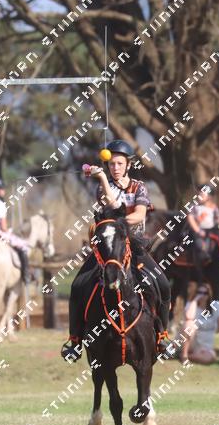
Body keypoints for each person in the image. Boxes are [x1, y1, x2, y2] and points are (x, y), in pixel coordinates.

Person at [61, 140, 173, 362]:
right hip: (109, 246)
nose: (115, 167)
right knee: (77, 285)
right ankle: (75, 341)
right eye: (111, 164)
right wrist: (103, 180)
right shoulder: (103, 187)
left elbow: (140, 215)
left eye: (120, 163)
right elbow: (112, 207)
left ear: (128, 165)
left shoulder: (139, 187)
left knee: (162, 284)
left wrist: (120, 222)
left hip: (134, 245)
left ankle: (162, 336)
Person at [179, 284, 219, 364]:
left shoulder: (215, 305)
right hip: (191, 342)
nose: (202, 295)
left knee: (209, 358)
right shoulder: (191, 304)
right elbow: (188, 316)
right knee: (189, 323)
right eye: (199, 292)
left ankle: (188, 356)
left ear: (209, 294)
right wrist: (195, 300)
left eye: (205, 293)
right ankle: (184, 355)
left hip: (205, 346)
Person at [187, 185, 219, 264]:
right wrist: (198, 230)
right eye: (199, 194)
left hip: (211, 231)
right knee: (200, 245)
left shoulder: (213, 207)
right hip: (199, 232)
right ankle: (203, 260)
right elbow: (190, 219)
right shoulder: (194, 207)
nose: (199, 197)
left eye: (202, 195)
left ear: (209, 197)